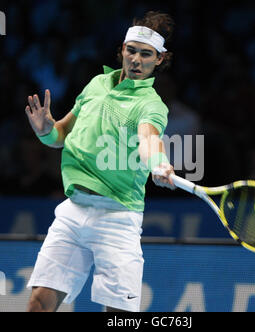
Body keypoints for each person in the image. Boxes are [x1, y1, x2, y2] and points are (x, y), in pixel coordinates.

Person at [25, 11, 175, 312]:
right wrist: (44, 131)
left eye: (146, 54)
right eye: (131, 50)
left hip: (117, 217)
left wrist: (159, 162)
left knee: (118, 315)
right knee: (39, 302)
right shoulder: (96, 84)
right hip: (73, 210)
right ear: (122, 50)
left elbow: (149, 138)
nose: (136, 60)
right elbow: (62, 134)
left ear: (159, 59)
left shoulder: (151, 104)